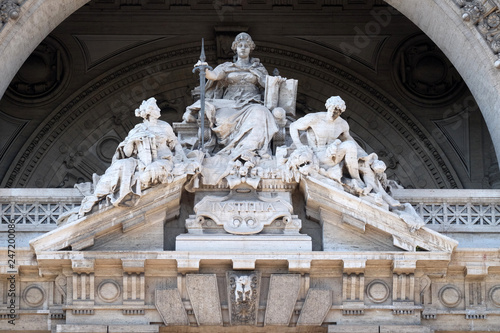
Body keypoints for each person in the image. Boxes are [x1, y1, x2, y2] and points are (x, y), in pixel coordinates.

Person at [78, 97, 186, 217]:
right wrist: (133, 141)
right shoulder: (138, 129)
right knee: (120, 166)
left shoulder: (165, 126)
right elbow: (127, 153)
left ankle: (128, 190)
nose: (158, 109)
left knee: (148, 175)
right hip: (141, 163)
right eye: (155, 108)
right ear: (149, 112)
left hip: (163, 161)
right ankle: (96, 196)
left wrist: (183, 159)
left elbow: (175, 144)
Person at [183, 32, 279, 161]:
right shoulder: (227, 67)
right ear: (235, 48)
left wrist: (275, 81)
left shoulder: (258, 68)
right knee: (222, 117)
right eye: (240, 45)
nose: (243, 48)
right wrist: (203, 69)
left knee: (261, 112)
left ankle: (247, 150)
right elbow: (214, 76)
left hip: (251, 103)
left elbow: (266, 84)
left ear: (251, 48)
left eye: (246, 45)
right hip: (229, 103)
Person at [289, 96, 365, 191]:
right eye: (333, 109)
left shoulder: (342, 124)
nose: (334, 112)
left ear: (341, 112)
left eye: (337, 111)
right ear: (328, 107)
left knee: (350, 145)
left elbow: (349, 139)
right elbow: (293, 126)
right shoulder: (315, 118)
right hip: (316, 155)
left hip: (333, 157)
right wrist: (300, 147)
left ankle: (356, 178)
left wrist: (365, 155)